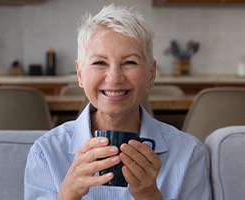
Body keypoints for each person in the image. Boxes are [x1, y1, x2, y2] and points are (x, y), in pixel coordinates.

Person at [25, 4, 210, 200]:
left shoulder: (189, 154)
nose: (114, 78)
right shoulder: (45, 152)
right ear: (80, 74)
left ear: (151, 73)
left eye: (130, 62)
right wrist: (67, 195)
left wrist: (149, 195)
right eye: (99, 63)